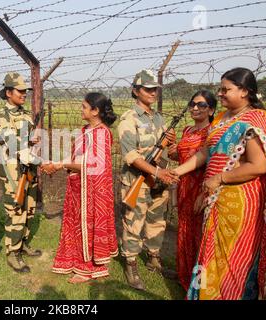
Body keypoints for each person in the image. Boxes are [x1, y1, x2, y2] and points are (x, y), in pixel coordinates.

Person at [174, 67, 266, 300]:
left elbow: (258, 165)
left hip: (239, 203)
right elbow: (206, 153)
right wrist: (177, 172)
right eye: (220, 89)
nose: (219, 94)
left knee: (231, 259)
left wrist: (218, 179)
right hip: (216, 198)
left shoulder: (254, 120)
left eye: (225, 89)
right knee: (209, 254)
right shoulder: (221, 119)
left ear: (244, 92)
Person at [42, 92, 119, 283]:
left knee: (89, 225)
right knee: (77, 225)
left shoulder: (102, 133)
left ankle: (88, 269)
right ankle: (76, 260)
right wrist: (58, 163)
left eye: (84, 107)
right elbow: (77, 158)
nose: (81, 110)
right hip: (79, 187)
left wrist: (60, 165)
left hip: (94, 192)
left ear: (96, 111)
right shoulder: (85, 130)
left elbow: (94, 165)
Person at [117, 69, 178, 291]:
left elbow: (169, 152)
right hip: (137, 182)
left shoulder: (159, 118)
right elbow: (131, 155)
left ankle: (154, 259)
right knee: (133, 223)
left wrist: (172, 144)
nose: (153, 93)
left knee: (157, 222)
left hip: (158, 181)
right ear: (136, 90)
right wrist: (156, 171)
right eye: (148, 89)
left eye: (155, 89)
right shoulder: (128, 119)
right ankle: (131, 264)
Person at [168, 90, 217, 291]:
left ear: (211, 110)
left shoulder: (213, 132)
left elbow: (213, 163)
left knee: (200, 236)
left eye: (202, 105)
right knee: (185, 231)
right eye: (193, 104)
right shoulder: (187, 130)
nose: (195, 108)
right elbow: (182, 158)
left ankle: (200, 285)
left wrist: (203, 194)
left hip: (201, 189)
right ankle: (185, 276)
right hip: (184, 187)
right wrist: (172, 147)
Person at [0, 72, 43, 273]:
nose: (24, 94)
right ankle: (13, 252)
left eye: (25, 91)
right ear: (8, 92)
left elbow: (26, 141)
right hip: (13, 174)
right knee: (15, 211)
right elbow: (12, 144)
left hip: (28, 171)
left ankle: (23, 243)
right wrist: (43, 161)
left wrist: (31, 141)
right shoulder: (2, 117)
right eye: (20, 91)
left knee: (29, 208)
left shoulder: (24, 115)